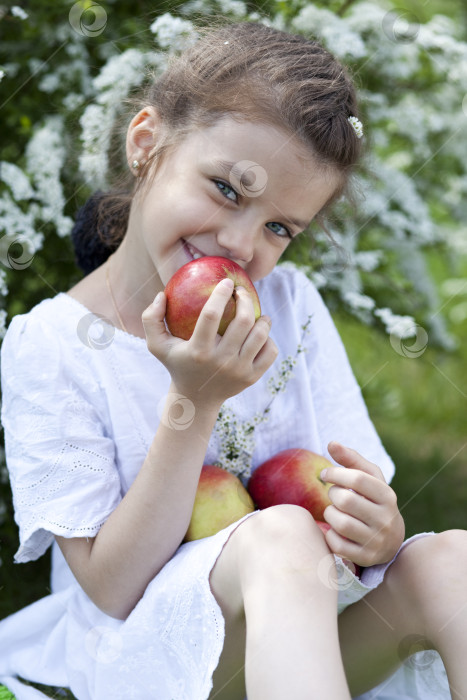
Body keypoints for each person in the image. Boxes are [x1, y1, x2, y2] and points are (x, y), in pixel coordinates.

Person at [0, 20, 465, 700]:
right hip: (143, 661)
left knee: (449, 560)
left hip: (295, 640)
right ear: (146, 145)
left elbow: (353, 497)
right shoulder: (54, 345)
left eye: (279, 228)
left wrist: (376, 529)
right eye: (226, 189)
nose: (243, 244)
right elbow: (110, 589)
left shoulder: (288, 303)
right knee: (276, 536)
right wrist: (195, 399)